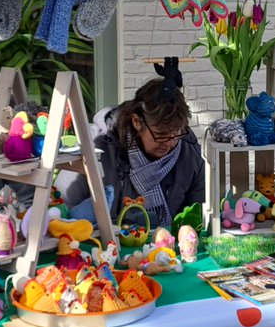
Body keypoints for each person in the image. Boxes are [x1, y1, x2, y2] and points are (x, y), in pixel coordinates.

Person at [78, 66, 205, 227]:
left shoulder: (190, 154)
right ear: (137, 122)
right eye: (161, 134)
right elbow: (66, 211)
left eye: (176, 133)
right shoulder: (97, 146)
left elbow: (199, 218)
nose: (170, 142)